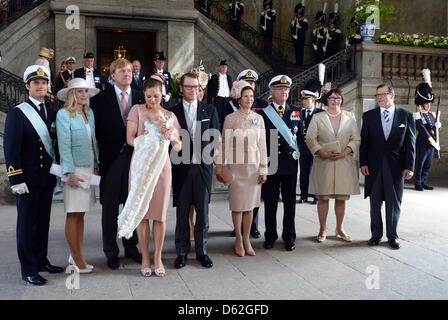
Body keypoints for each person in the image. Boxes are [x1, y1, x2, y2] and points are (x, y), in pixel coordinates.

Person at [3, 65, 63, 285]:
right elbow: (10, 149)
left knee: (42, 221)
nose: (41, 86)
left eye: (44, 82)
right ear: (27, 86)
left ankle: (41, 260)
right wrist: (16, 178)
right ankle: (28, 269)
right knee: (27, 224)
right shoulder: (17, 113)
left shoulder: (53, 111)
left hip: (45, 178)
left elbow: (55, 145)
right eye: (36, 83)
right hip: (26, 180)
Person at [118, 77, 181, 277]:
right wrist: (150, 137)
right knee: (143, 215)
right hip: (141, 167)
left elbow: (179, 147)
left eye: (156, 96)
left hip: (162, 169)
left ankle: (158, 257)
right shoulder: (137, 110)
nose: (152, 100)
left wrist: (171, 135)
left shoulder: (170, 115)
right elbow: (130, 139)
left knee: (160, 216)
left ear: (162, 95)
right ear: (143, 95)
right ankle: (145, 256)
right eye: (148, 96)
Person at [91, 58, 144, 269]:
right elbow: (94, 133)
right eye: (122, 70)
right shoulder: (100, 100)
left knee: (131, 205)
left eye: (129, 70)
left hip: (135, 160)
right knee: (110, 209)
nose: (127, 73)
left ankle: (131, 248)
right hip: (111, 161)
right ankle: (111, 251)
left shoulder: (141, 97)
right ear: (112, 75)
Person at [171, 72, 220, 269]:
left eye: (196, 87)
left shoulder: (209, 110)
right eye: (189, 86)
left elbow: (215, 138)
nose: (193, 90)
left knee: (203, 213)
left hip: (202, 168)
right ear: (181, 88)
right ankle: (181, 252)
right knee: (182, 214)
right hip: (181, 168)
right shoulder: (171, 112)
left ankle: (202, 252)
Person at [360, 84, 416, 250]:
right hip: (374, 167)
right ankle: (376, 235)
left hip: (396, 167)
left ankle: (393, 236)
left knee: (394, 203)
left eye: (383, 94)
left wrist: (409, 166)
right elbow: (364, 143)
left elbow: (410, 144)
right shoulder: (368, 116)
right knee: (375, 203)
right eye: (378, 95)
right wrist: (363, 163)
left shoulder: (406, 116)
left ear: (393, 95)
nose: (380, 98)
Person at [215, 81, 267, 257]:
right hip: (235, 167)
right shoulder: (230, 118)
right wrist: (219, 166)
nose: (249, 99)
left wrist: (263, 169)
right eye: (246, 96)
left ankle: (247, 239)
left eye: (252, 96)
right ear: (239, 99)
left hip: (253, 167)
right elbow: (223, 144)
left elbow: (263, 145)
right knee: (238, 206)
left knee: (250, 207)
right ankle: (238, 238)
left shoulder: (258, 118)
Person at [56, 78, 100, 273]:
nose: (84, 95)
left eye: (86, 91)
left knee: (81, 213)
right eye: (80, 91)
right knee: (73, 213)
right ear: (72, 94)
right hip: (74, 169)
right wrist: (69, 172)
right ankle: (77, 259)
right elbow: (64, 145)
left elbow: (94, 143)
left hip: (89, 167)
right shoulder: (64, 115)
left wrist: (97, 165)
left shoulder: (89, 113)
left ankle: (76, 254)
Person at [306, 88, 361, 242]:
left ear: (342, 100)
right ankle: (322, 230)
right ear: (326, 100)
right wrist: (321, 151)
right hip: (324, 161)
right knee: (323, 197)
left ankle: (340, 228)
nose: (335, 100)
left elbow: (356, 139)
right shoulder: (318, 117)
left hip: (344, 161)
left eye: (338, 98)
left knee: (341, 198)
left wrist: (345, 152)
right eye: (332, 98)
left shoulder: (350, 117)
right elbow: (310, 138)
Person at [260, 75, 300, 252]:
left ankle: (289, 236)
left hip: (290, 164)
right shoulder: (262, 113)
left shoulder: (296, 112)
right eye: (280, 89)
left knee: (290, 203)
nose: (284, 92)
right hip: (271, 163)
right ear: (271, 91)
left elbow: (303, 140)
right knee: (270, 203)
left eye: (286, 89)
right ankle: (270, 236)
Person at [413, 71, 442, 191]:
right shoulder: (417, 115)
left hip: (432, 143)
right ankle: (418, 182)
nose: (429, 105)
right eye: (426, 103)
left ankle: (424, 181)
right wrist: (432, 141)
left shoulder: (432, 114)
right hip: (424, 142)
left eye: (429, 103)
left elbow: (435, 128)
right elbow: (423, 130)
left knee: (428, 164)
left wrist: (439, 125)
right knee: (420, 163)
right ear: (421, 103)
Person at [297, 80, 324, 204]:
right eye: (303, 99)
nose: (303, 102)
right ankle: (303, 195)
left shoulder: (320, 113)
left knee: (315, 173)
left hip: (316, 149)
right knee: (304, 173)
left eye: (306, 99)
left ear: (313, 100)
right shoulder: (300, 113)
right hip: (303, 148)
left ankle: (315, 196)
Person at [207, 58, 232, 126]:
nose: (224, 68)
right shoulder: (214, 77)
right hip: (218, 100)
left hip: (227, 101)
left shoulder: (229, 77)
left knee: (226, 119)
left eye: (226, 67)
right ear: (219, 67)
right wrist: (209, 103)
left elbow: (230, 88)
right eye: (222, 66)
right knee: (216, 119)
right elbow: (209, 91)